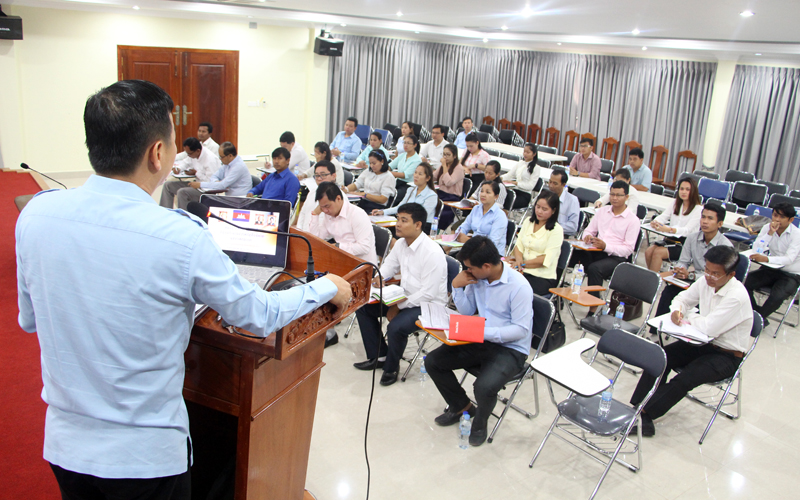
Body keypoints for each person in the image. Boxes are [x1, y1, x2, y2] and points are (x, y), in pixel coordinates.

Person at [15, 79, 352, 499]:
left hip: (66, 448)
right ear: (157, 153)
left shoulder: (36, 215)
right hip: (144, 460)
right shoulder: (179, 235)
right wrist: (324, 287)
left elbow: (29, 320)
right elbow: (258, 314)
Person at [630, 246, 753, 437]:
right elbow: (683, 299)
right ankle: (638, 407)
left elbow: (709, 327)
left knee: (686, 378)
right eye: (707, 270)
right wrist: (677, 310)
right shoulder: (706, 281)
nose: (709, 276)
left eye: (715, 273)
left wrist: (689, 316)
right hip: (702, 343)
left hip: (727, 355)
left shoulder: (736, 296)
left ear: (731, 275)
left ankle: (643, 414)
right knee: (660, 358)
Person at [425, 236, 533, 447]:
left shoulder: (519, 287)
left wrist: (482, 332)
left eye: (470, 267)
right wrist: (456, 286)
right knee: (433, 362)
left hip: (511, 349)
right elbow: (467, 311)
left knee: (483, 387)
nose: (468, 271)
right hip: (482, 338)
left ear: (486, 266)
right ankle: (462, 407)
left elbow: (520, 330)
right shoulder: (478, 278)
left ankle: (480, 425)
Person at [354, 203, 448, 386]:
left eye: (404, 220)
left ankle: (391, 368)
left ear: (418, 225)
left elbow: (428, 294)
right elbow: (389, 265)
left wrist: (397, 306)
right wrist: (379, 278)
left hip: (428, 306)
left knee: (396, 327)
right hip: (405, 296)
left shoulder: (432, 252)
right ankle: (379, 356)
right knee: (363, 306)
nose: (397, 224)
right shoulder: (402, 244)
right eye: (398, 219)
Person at [652, 203, 733, 322]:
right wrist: (680, 269)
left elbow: (719, 276)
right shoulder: (692, 238)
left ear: (720, 224)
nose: (705, 221)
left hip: (713, 286)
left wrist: (691, 275)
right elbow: (683, 261)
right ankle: (657, 328)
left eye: (710, 218)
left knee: (698, 305)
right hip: (693, 281)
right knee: (668, 292)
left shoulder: (725, 247)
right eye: (703, 217)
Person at [573, 181, 640, 314]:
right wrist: (587, 236)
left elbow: (628, 249)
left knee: (595, 269)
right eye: (612, 194)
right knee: (570, 256)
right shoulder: (602, 211)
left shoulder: (633, 220)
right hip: (596, 250)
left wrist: (606, 246)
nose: (614, 198)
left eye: (618, 195)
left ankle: (593, 308)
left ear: (626, 197)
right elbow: (589, 230)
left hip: (617, 257)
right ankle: (555, 293)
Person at [745, 203, 800, 327]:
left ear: (791, 220)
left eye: (782, 217)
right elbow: (756, 249)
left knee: (778, 296)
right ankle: (757, 316)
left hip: (791, 274)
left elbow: (789, 259)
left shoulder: (797, 235)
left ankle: (757, 320)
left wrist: (767, 259)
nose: (777, 219)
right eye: (775, 215)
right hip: (771, 269)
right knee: (745, 282)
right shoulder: (767, 228)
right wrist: (769, 234)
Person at [507, 190, 564, 295]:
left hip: (541, 276)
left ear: (553, 211)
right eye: (538, 207)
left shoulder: (556, 230)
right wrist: (519, 261)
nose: (539, 211)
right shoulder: (528, 221)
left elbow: (545, 259)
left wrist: (522, 264)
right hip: (521, 269)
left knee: (515, 289)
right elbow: (518, 245)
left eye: (544, 209)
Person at [645, 177, 702, 272]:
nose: (683, 192)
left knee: (657, 253)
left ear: (693, 191)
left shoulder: (698, 209)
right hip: (670, 239)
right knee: (648, 251)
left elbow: (687, 230)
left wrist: (669, 229)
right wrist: (655, 222)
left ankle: (652, 279)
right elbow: (663, 216)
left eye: (687, 189)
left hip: (685, 245)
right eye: (681, 189)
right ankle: (651, 276)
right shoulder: (675, 203)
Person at [179, 141, 251, 209]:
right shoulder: (227, 164)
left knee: (208, 204)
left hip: (239, 201)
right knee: (206, 202)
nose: (220, 159)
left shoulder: (238, 166)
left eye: (222, 157)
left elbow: (222, 185)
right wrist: (216, 182)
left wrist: (200, 184)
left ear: (230, 156)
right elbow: (214, 176)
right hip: (230, 198)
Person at [159, 137, 221, 208]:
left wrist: (196, 173)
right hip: (196, 184)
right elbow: (186, 162)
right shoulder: (193, 155)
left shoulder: (210, 159)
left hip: (206, 190)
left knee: (182, 192)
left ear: (197, 151)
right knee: (168, 185)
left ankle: (184, 214)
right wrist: (178, 169)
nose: (188, 155)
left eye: (189, 154)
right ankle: (165, 210)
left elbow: (210, 181)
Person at [373, 162, 438, 225]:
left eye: (420, 174)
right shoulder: (410, 190)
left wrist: (404, 218)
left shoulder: (432, 195)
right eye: (415, 172)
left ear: (427, 178)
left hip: (421, 226)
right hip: (407, 222)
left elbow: (423, 216)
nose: (416, 176)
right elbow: (400, 207)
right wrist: (383, 212)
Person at [455, 181, 507, 255]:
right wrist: (459, 234)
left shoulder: (499, 215)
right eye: (481, 191)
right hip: (473, 250)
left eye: (488, 192)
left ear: (496, 196)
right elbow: (464, 226)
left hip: (490, 254)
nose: (483, 194)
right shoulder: (476, 209)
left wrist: (469, 241)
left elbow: (492, 243)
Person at [295, 161, 343, 231]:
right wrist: (299, 231)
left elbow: (338, 226)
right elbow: (303, 214)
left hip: (323, 236)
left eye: (323, 175)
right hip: (304, 234)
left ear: (333, 176)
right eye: (317, 175)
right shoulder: (312, 192)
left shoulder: (339, 197)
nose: (319, 179)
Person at [433, 143, 465, 230]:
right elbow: (434, 176)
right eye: (444, 154)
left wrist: (444, 167)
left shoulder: (458, 168)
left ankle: (437, 229)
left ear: (454, 156)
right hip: (441, 194)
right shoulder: (444, 166)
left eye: (448, 155)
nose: (445, 157)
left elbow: (449, 182)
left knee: (439, 211)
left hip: (452, 197)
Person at [502, 142, 541, 209]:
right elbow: (509, 175)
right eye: (524, 152)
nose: (525, 154)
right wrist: (499, 178)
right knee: (500, 197)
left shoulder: (536, 168)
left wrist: (516, 183)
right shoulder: (520, 163)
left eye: (528, 152)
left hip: (525, 194)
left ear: (534, 154)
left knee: (508, 202)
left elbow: (530, 186)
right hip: (514, 191)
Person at [390, 134, 422, 201]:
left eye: (408, 143)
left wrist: (388, 173)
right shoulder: (402, 155)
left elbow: (405, 175)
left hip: (408, 185)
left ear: (415, 145)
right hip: (398, 181)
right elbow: (390, 166)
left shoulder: (417, 160)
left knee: (395, 196)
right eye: (404, 143)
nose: (405, 145)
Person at [548, 170, 580, 236]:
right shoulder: (545, 196)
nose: (551, 185)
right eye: (550, 182)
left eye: (555, 183)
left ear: (563, 185)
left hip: (561, 234)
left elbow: (573, 226)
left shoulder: (572, 201)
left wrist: (553, 226)